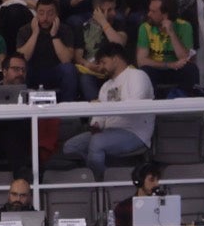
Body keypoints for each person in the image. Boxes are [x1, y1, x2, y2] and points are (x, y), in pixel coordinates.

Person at [62, 42, 154, 176]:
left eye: (104, 62)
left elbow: (135, 106)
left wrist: (103, 107)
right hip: (108, 132)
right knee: (70, 147)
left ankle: (102, 183)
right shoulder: (106, 86)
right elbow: (100, 120)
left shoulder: (137, 75)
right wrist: (95, 123)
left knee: (97, 142)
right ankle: (101, 171)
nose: (101, 67)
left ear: (115, 59)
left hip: (135, 132)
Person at [136, 0, 198, 92]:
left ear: (165, 15)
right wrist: (170, 65)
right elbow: (141, 61)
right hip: (156, 68)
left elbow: (186, 58)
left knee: (191, 69)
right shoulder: (145, 27)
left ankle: (184, 100)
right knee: (144, 71)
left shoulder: (185, 26)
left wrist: (171, 33)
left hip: (177, 70)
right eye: (149, 10)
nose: (148, 14)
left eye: (153, 12)